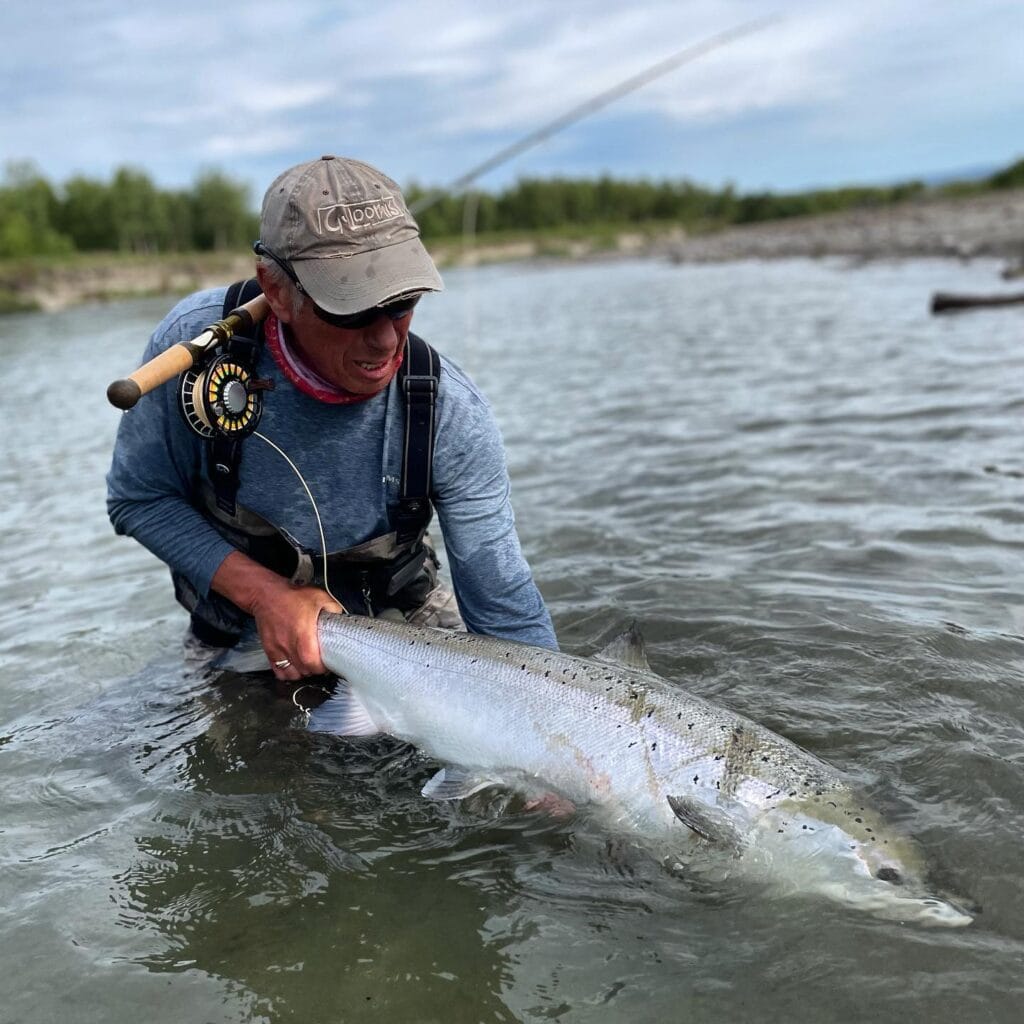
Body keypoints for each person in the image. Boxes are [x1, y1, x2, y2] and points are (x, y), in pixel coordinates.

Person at [107, 155, 557, 686]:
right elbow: (138, 499)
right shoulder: (194, 351)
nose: (386, 340)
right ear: (276, 292)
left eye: (402, 302)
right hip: (235, 633)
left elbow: (505, 612)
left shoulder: (450, 412)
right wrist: (267, 595)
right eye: (352, 309)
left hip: (402, 623)